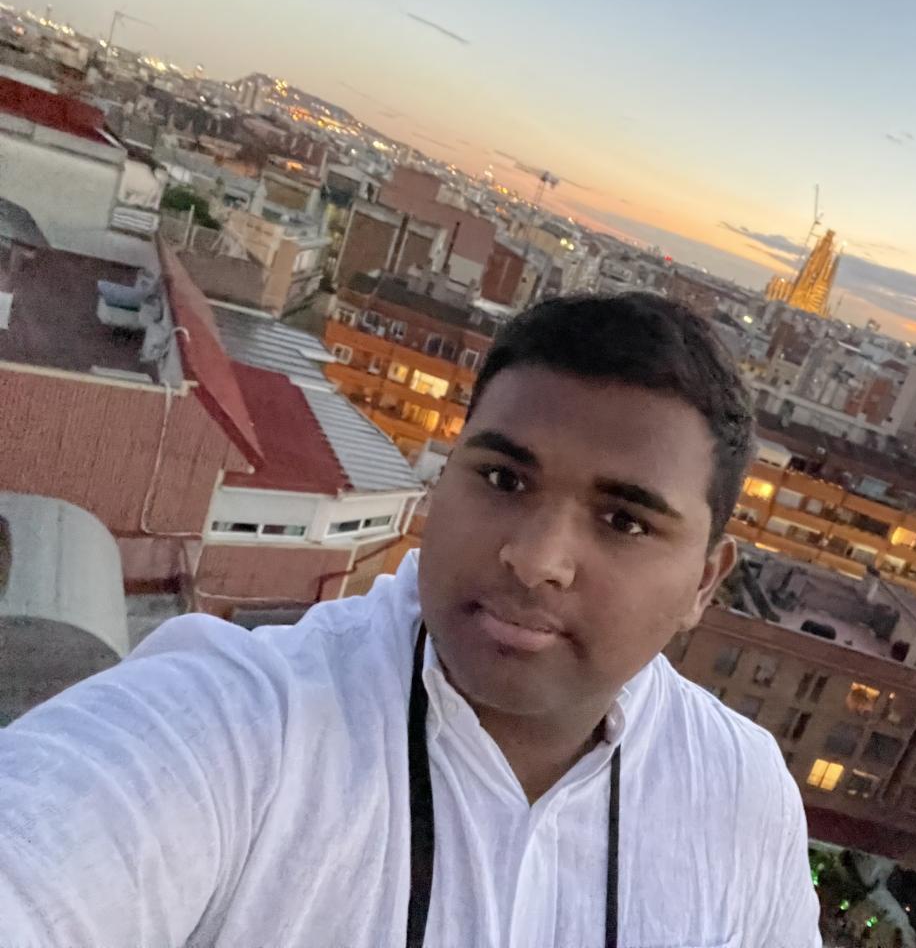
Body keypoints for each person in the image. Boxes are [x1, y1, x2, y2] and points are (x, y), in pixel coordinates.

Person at [0, 293, 820, 947]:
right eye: (503, 481)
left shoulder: (739, 794)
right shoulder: (241, 723)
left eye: (624, 522)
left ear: (704, 582)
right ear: (440, 484)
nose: (536, 558)